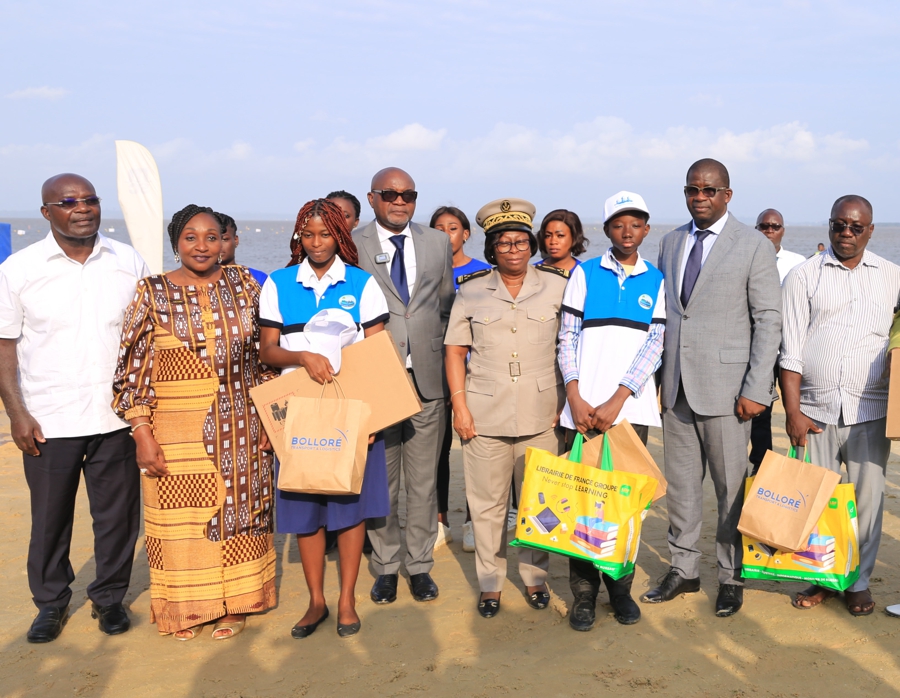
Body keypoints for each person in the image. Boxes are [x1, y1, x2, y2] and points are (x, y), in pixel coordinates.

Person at [112, 204, 276, 641]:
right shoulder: (151, 291)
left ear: (224, 242)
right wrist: (142, 431)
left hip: (243, 421)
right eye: (190, 237)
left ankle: (237, 604)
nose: (202, 245)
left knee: (242, 513)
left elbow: (265, 358)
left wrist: (269, 420)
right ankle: (189, 607)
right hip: (175, 431)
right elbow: (134, 367)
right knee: (182, 521)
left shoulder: (245, 285)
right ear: (176, 243)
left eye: (211, 236)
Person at [0, 173, 148, 643]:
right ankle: (51, 604)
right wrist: (16, 412)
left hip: (116, 417)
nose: (82, 208)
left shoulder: (128, 260)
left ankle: (109, 599)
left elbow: (147, 339)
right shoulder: (18, 269)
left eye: (90, 200)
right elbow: (4, 346)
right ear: (47, 213)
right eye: (68, 202)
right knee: (48, 520)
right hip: (48, 418)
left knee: (118, 518)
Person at [646, 158, 782, 617]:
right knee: (682, 488)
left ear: (727, 194)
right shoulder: (669, 242)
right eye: (691, 189)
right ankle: (684, 571)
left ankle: (730, 576)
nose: (699, 197)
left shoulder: (753, 245)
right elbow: (666, 316)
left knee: (731, 489)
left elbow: (768, 321)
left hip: (730, 393)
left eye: (708, 189)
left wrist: (757, 389)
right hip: (677, 389)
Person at [258, 198, 391, 638]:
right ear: (299, 237)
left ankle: (347, 599)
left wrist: (371, 419)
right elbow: (268, 351)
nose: (316, 243)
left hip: (352, 411)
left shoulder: (362, 283)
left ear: (340, 236)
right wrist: (303, 356)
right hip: (297, 414)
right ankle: (316, 601)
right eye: (308, 235)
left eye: (325, 234)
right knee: (306, 510)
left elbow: (376, 356)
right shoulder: (278, 283)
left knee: (350, 507)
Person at [444, 197, 568, 618]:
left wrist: (566, 404)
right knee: (486, 506)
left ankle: (535, 580)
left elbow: (571, 347)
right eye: (503, 243)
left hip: (542, 414)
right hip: (483, 415)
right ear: (491, 249)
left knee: (540, 505)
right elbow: (455, 351)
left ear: (531, 246)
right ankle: (491, 584)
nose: (512, 250)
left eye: (520, 242)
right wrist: (460, 407)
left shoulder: (558, 286)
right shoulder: (472, 290)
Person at [781, 195, 900, 616]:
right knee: (818, 502)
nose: (846, 233)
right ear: (829, 226)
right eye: (838, 225)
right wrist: (793, 414)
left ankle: (858, 582)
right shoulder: (802, 276)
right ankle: (822, 578)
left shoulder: (892, 276)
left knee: (867, 504)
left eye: (855, 227)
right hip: (814, 411)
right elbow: (790, 351)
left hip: (871, 410)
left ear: (870, 230)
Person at [558, 191, 665, 630]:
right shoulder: (583, 274)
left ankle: (619, 588)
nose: (627, 230)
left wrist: (619, 398)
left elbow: (654, 345)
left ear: (645, 229)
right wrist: (576, 396)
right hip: (581, 412)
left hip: (629, 413)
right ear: (606, 230)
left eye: (635, 223)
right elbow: (568, 338)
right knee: (580, 503)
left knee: (625, 506)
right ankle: (584, 595)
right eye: (618, 223)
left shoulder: (655, 280)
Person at [352, 168, 455, 604]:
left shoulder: (435, 242)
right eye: (390, 194)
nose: (400, 201)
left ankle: (419, 565)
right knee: (383, 480)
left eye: (408, 194)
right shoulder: (353, 243)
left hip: (428, 378)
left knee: (423, 480)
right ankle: (386, 566)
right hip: (376, 378)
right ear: (372, 198)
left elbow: (445, 303)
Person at [430, 205, 491, 553]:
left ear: (465, 234)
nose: (446, 234)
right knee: (437, 452)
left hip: (477, 373)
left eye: (452, 228)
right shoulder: (423, 272)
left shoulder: (483, 273)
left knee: (476, 449)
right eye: (438, 228)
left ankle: (472, 520)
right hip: (434, 371)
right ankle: (440, 522)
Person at [748, 209, 806, 474]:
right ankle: (761, 464)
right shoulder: (746, 257)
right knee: (760, 409)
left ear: (783, 230)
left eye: (775, 226)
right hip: (757, 346)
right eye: (764, 226)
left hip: (790, 347)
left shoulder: (798, 263)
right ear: (756, 228)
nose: (769, 230)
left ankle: (800, 462)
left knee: (797, 406)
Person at [214, 211, 268, 286]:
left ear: (236, 240)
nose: (219, 245)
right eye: (212, 239)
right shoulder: (196, 280)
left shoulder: (258, 278)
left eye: (225, 239)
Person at [535, 209, 587, 273]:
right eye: (548, 236)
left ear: (574, 237)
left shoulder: (585, 273)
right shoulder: (532, 272)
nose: (553, 241)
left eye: (560, 236)